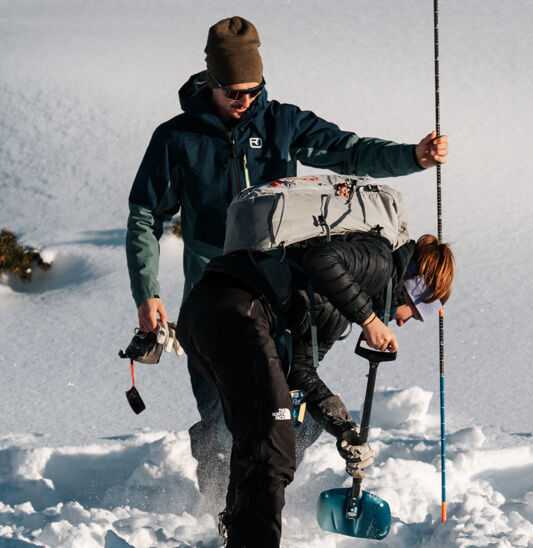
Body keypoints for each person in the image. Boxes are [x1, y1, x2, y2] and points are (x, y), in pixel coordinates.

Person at [125, 15, 450, 508]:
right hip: (215, 302)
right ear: (210, 81)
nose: (245, 101)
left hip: (284, 300)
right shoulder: (177, 139)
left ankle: (259, 502)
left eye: (253, 90)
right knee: (221, 419)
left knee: (290, 416)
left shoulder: (281, 123)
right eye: (233, 91)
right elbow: (146, 216)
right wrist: (147, 291)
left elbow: (349, 151)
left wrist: (412, 157)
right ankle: (218, 507)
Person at [176, 232, 453, 547]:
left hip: (208, 314)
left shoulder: (340, 310)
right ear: (413, 287)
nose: (403, 322)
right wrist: (370, 320)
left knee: (256, 436)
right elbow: (321, 259)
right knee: (275, 452)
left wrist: (344, 428)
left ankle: (236, 526)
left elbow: (300, 372)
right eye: (416, 313)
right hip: (236, 310)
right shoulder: (379, 260)